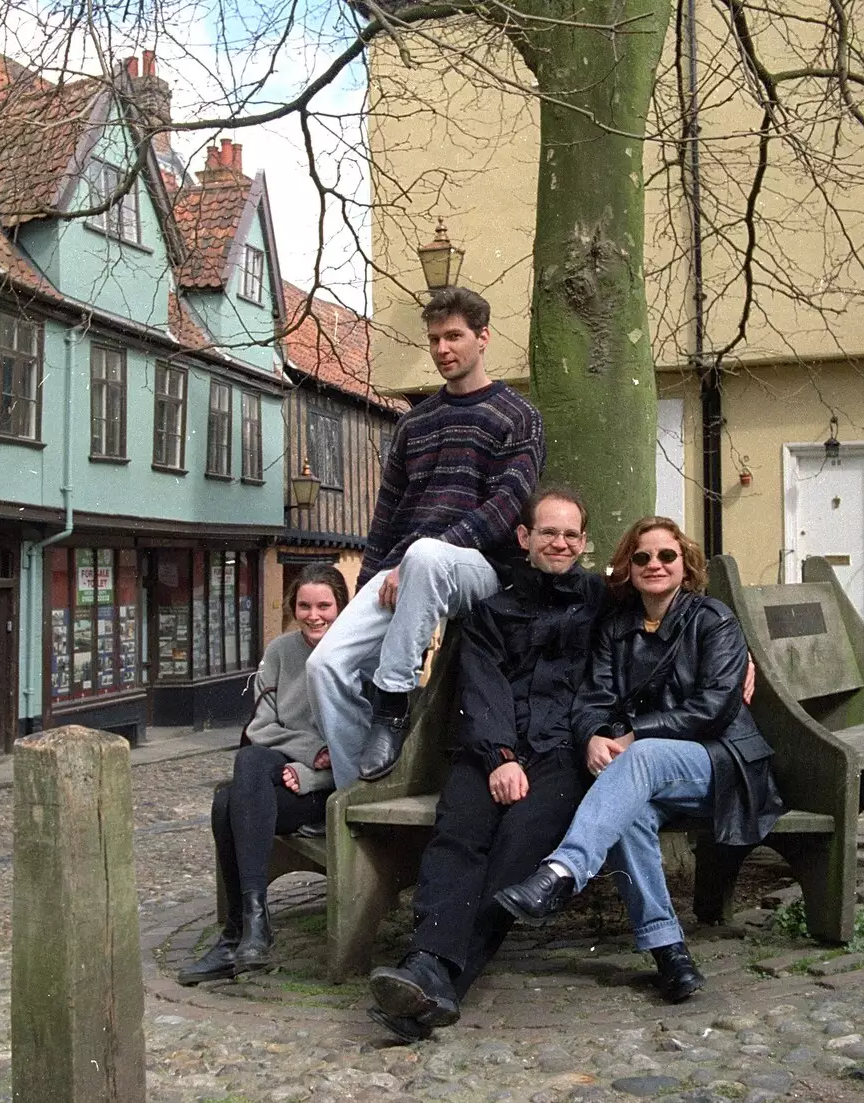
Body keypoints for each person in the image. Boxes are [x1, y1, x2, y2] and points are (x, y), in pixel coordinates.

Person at [494, 517, 785, 1004]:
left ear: (685, 565)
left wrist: (631, 736)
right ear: (627, 567)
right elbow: (593, 699)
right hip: (644, 772)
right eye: (642, 557)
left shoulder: (713, 620)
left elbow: (714, 709)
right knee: (629, 817)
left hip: (722, 764)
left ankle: (561, 872)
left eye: (667, 556)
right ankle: (669, 952)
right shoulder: (617, 627)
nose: (655, 565)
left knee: (643, 757)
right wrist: (591, 737)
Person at [366, 485, 604, 1043]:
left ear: (584, 542)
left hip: (562, 754)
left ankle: (434, 975)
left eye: (571, 534)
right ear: (524, 538)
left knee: (518, 847)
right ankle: (432, 967)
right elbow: (483, 685)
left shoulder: (598, 598)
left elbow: (671, 604)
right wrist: (499, 757)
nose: (560, 543)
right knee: (459, 835)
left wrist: (737, 653)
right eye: (548, 532)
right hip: (489, 748)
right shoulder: (490, 610)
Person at [308, 287, 545, 788]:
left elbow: (505, 509)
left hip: (481, 570)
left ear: (483, 338)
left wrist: (416, 559)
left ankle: (391, 705)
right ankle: (357, 795)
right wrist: (371, 584)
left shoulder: (517, 416)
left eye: (454, 336)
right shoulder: (413, 424)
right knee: (324, 666)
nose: (443, 349)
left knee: (425, 555)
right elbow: (386, 516)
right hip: (407, 565)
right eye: (435, 339)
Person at [177, 564, 349, 985]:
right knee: (250, 761)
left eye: (324, 605)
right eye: (304, 605)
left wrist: (310, 776)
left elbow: (355, 752)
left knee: (225, 802)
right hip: (283, 771)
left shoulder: (354, 652)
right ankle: (252, 928)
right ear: (293, 607)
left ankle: (238, 932)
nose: (314, 615)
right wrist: (310, 753)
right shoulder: (279, 652)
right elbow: (260, 730)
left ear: (341, 607)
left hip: (328, 791)